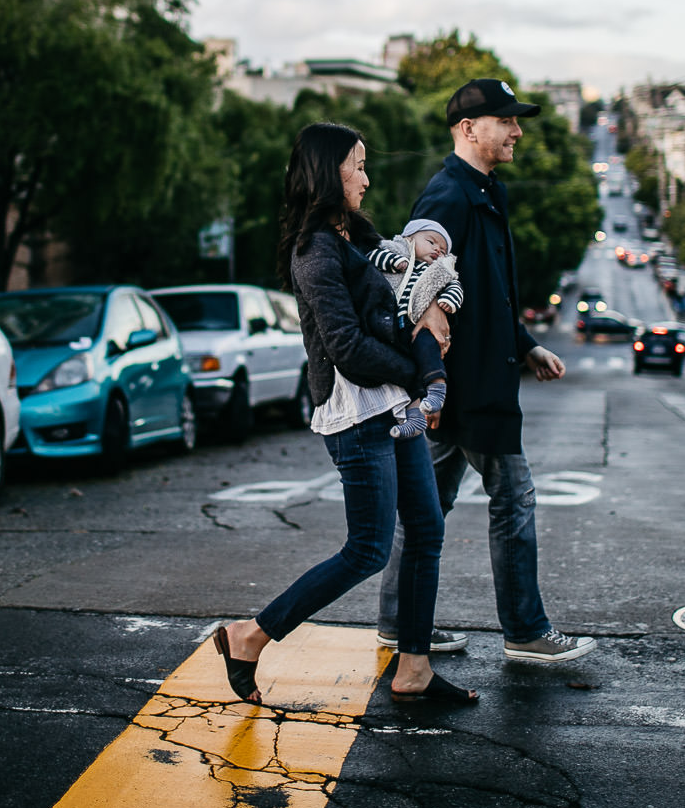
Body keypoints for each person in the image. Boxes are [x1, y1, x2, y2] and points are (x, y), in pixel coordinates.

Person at [213, 123, 477, 706]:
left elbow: (401, 290)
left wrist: (431, 302)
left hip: (391, 403)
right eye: (357, 165)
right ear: (327, 173)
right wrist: (420, 373)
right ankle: (251, 635)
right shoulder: (315, 250)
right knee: (367, 549)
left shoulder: (357, 234)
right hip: (356, 414)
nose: (366, 177)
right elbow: (348, 349)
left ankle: (414, 668)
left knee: (426, 529)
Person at [376, 78, 595, 663]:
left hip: (467, 382)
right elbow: (414, 274)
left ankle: (398, 621)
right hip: (469, 386)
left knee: (425, 508)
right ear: (469, 129)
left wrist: (527, 345)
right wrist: (432, 359)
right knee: (514, 498)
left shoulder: (484, 190)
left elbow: (487, 292)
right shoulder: (448, 196)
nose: (518, 131)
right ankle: (525, 630)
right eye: (507, 121)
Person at [367, 219, 463, 438]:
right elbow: (371, 257)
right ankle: (415, 417)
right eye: (431, 242)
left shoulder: (437, 270)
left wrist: (448, 301)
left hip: (417, 323)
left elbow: (455, 285)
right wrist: (395, 262)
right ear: (409, 238)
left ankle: (437, 388)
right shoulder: (392, 250)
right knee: (404, 372)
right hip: (391, 328)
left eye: (443, 250)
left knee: (428, 348)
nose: (437, 250)